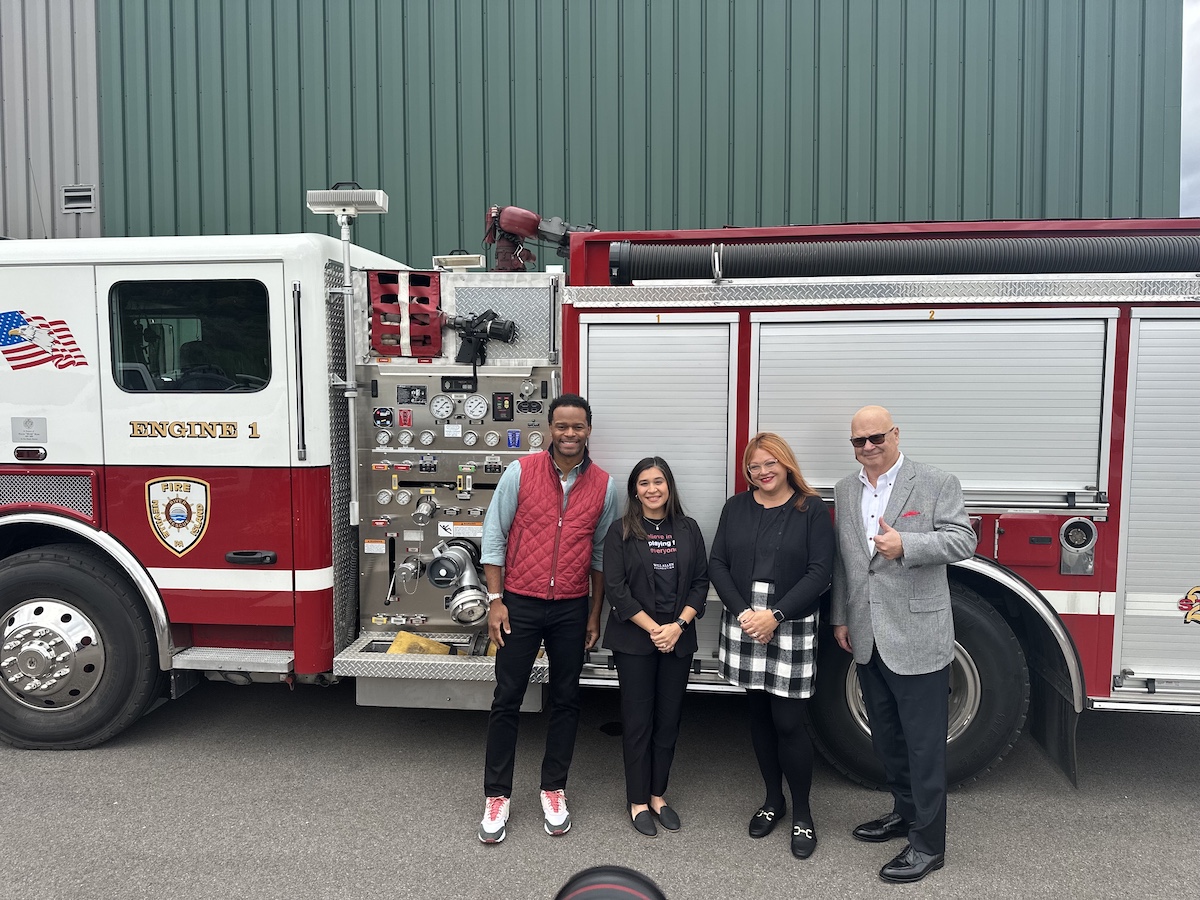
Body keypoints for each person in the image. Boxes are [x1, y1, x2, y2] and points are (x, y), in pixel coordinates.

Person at [829, 405, 976, 884]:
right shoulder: (846, 489)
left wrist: (908, 546)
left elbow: (962, 540)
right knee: (888, 741)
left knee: (924, 747)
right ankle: (904, 814)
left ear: (895, 434)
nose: (868, 448)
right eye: (859, 441)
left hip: (918, 638)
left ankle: (929, 846)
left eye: (876, 438)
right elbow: (846, 562)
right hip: (868, 636)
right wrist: (841, 619)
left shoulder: (935, 481)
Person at [477, 393, 620, 843]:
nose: (570, 434)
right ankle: (496, 795)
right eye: (562, 426)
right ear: (550, 429)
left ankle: (554, 788)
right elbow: (494, 536)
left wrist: (594, 614)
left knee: (566, 699)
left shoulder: (605, 486)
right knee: (507, 698)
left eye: (578, 426)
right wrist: (495, 600)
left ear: (589, 430)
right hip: (518, 602)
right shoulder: (520, 472)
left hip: (572, 607)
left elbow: (600, 556)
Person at [709, 432, 834, 859]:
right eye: (754, 467)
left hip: (790, 619)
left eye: (770, 463)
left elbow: (820, 573)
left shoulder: (812, 509)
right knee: (759, 715)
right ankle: (772, 802)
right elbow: (718, 563)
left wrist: (775, 615)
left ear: (786, 464)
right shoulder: (736, 508)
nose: (763, 472)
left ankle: (802, 813)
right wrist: (745, 612)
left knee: (788, 722)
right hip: (745, 619)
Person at [602, 457, 709, 837]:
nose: (652, 489)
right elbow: (616, 589)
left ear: (669, 486)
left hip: (677, 639)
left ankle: (658, 794)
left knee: (669, 719)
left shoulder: (688, 528)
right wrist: (654, 629)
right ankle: (637, 801)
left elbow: (700, 582)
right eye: (644, 483)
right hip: (636, 641)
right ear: (634, 490)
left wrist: (678, 625)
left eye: (658, 481)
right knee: (637, 722)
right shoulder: (621, 531)